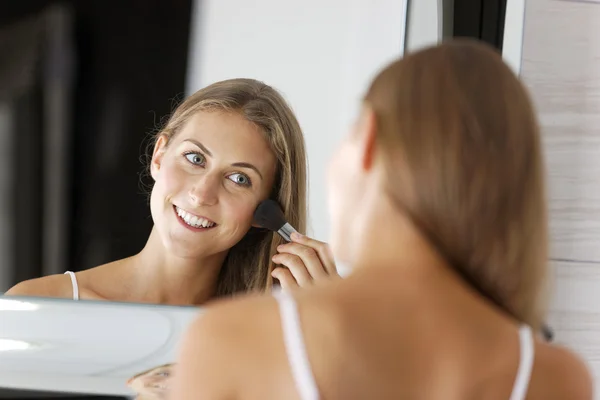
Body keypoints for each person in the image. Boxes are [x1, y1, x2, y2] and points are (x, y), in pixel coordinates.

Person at [169, 40, 593, 399]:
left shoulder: (230, 340)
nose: (204, 192)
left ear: (367, 141)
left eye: (240, 178)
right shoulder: (555, 377)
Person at [6, 78, 339, 305]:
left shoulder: (268, 335)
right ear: (159, 155)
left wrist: (333, 330)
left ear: (265, 210)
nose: (202, 193)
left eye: (238, 178)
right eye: (195, 158)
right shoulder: (38, 304)